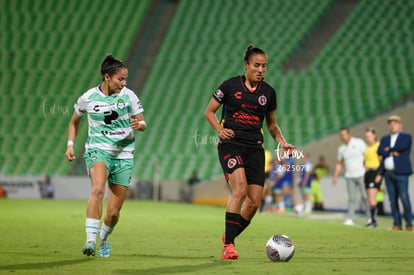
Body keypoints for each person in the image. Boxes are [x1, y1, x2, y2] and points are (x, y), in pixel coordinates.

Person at [204, 45, 295, 260]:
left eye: (264, 66)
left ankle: (228, 234)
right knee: (240, 190)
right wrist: (219, 129)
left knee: (254, 202)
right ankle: (229, 245)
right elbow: (209, 111)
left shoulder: (268, 92)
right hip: (231, 144)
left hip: (255, 148)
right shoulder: (229, 86)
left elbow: (272, 125)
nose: (261, 69)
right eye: (256, 65)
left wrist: (282, 142)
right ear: (246, 65)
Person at [64, 54, 146, 257]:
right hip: (98, 150)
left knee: (113, 213)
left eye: (125, 78)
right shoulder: (88, 97)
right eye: (120, 78)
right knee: (98, 189)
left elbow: (142, 123)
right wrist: (70, 144)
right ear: (107, 77)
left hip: (124, 154)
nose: (124, 83)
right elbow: (74, 121)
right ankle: (90, 241)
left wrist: (139, 125)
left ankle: (104, 238)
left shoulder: (130, 96)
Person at [375, 115, 412, 231]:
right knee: (392, 199)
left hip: (401, 172)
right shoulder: (385, 139)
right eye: (390, 123)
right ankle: (397, 223)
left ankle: (409, 223)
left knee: (404, 197)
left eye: (395, 123)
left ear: (400, 125)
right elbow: (380, 151)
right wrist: (380, 173)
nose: (392, 125)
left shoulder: (406, 137)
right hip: (388, 173)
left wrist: (388, 150)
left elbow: (402, 147)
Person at [333, 127, 369, 226]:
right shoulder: (341, 149)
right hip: (349, 175)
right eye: (341, 135)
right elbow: (339, 163)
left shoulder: (359, 143)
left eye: (344, 134)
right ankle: (350, 218)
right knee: (352, 198)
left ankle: (370, 217)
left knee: (365, 197)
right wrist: (335, 176)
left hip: (361, 174)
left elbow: (367, 155)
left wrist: (367, 166)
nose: (343, 137)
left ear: (349, 134)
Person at [363, 127, 381, 228]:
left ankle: (374, 220)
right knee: (369, 198)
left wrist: (379, 174)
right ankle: (371, 219)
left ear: (374, 135)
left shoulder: (378, 146)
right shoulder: (366, 147)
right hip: (367, 173)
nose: (368, 138)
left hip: (375, 172)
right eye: (366, 137)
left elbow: (380, 160)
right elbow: (365, 160)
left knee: (372, 197)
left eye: (369, 136)